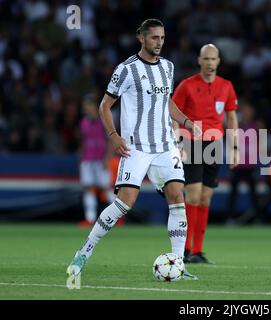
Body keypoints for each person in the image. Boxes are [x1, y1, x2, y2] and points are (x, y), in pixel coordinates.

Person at [67, 19, 202, 280]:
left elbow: (167, 103)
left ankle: (178, 263)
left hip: (165, 145)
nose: (159, 43)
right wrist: (114, 136)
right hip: (136, 147)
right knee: (124, 203)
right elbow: (104, 106)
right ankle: (84, 251)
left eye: (162, 38)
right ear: (141, 37)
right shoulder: (126, 70)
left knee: (177, 197)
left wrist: (185, 121)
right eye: (154, 38)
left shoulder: (168, 67)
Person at [172, 43, 239, 264]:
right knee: (192, 195)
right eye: (206, 59)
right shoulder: (187, 86)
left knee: (205, 197)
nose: (210, 63)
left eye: (213, 59)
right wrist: (177, 141)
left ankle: (198, 251)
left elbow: (231, 118)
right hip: (192, 142)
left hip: (214, 144)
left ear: (219, 61)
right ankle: (185, 248)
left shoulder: (226, 86)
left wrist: (235, 148)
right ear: (199, 61)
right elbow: (173, 113)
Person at [78, 94, 116, 227]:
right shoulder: (84, 122)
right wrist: (82, 158)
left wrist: (108, 159)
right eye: (85, 106)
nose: (86, 108)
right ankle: (90, 218)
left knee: (106, 188)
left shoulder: (103, 120)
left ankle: (117, 217)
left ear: (95, 106)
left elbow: (110, 141)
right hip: (87, 159)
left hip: (101, 160)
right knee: (88, 188)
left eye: (88, 106)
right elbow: (83, 140)